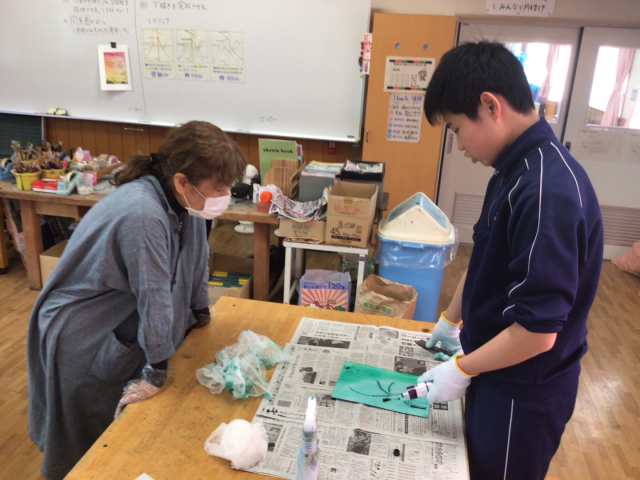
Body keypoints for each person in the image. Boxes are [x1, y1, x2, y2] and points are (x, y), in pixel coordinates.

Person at [418, 42, 604, 480]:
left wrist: (462, 368)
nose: (460, 144)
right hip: (492, 366)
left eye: (457, 128)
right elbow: (486, 256)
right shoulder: (512, 170)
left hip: (523, 389)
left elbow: (538, 333)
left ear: (490, 105)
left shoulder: (547, 190)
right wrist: (450, 320)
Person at [27, 120, 246, 480]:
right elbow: (153, 293)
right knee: (90, 448)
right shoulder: (142, 213)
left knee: (129, 432)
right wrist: (156, 370)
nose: (225, 194)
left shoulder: (184, 202)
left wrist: (200, 311)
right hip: (82, 329)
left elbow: (195, 260)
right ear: (182, 181)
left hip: (121, 314)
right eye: (219, 187)